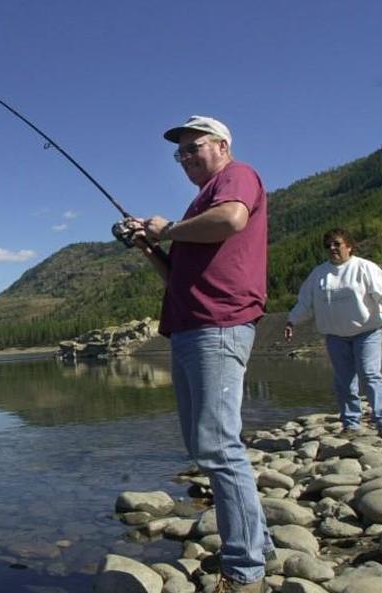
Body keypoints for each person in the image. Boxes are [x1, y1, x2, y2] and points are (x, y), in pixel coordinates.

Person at [124, 115, 272, 593]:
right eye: (180, 153)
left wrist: (167, 229)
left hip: (220, 325)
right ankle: (258, 542)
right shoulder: (198, 205)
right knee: (203, 444)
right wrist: (150, 248)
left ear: (223, 146)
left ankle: (245, 567)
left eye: (195, 147)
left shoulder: (236, 176)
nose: (186, 157)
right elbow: (177, 279)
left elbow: (232, 219)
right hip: (190, 328)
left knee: (219, 446)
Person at [284, 228, 382, 441]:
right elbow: (305, 303)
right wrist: (292, 320)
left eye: (337, 244)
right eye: (328, 245)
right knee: (344, 381)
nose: (332, 248)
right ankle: (351, 424)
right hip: (335, 336)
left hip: (367, 331)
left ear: (349, 246)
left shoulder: (364, 267)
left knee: (369, 374)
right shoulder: (318, 274)